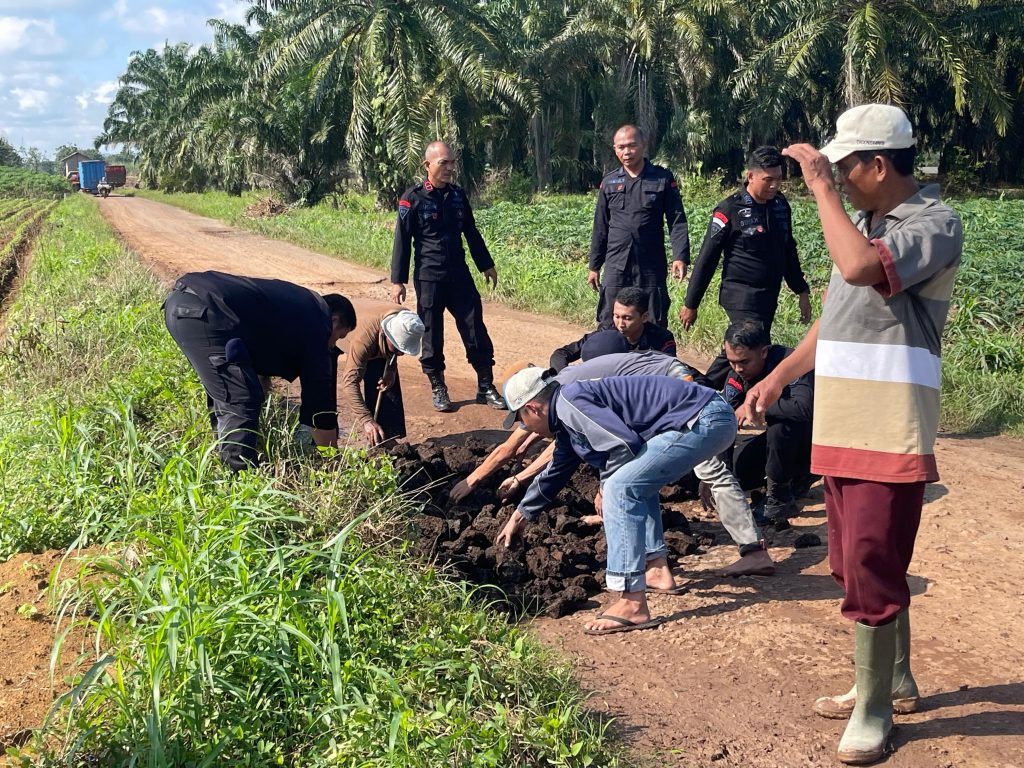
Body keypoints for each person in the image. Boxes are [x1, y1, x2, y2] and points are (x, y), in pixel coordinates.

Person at [742, 104, 963, 764]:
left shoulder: (933, 222)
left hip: (889, 423)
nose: (836, 174)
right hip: (841, 418)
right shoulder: (862, 227)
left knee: (870, 559)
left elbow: (864, 269)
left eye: (843, 166)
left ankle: (873, 711)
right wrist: (779, 375)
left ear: (875, 164)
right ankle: (891, 678)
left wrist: (818, 190)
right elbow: (834, 316)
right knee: (850, 559)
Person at [496, 368, 750, 634]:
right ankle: (657, 570)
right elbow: (556, 471)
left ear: (533, 408)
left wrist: (605, 486)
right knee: (637, 484)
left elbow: (623, 445)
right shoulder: (567, 418)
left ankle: (631, 602)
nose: (525, 428)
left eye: (522, 420)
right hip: (707, 417)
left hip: (704, 418)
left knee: (620, 488)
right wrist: (520, 515)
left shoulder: (570, 402)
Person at [163, 271, 356, 471]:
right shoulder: (318, 323)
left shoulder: (299, 308)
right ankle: (239, 482)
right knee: (240, 398)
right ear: (334, 321)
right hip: (204, 311)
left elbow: (258, 368)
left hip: (186, 304)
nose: (334, 345)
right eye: (339, 336)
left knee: (230, 391)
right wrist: (331, 462)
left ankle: (221, 461)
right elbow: (320, 404)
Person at [390, 140, 506, 413]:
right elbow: (402, 241)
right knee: (431, 332)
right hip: (429, 276)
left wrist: (485, 264)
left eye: (452, 162)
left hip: (459, 274)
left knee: (474, 326)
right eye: (444, 163)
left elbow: (471, 231)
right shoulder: (413, 198)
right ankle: (438, 386)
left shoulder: (457, 195)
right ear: (427, 165)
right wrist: (398, 280)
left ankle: (485, 386)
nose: (450, 168)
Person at [681, 145, 812, 338]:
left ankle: (720, 368)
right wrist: (691, 303)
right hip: (741, 297)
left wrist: (801, 290)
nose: (774, 185)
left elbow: (788, 250)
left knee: (747, 354)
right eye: (768, 180)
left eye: (778, 179)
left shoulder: (780, 205)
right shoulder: (729, 209)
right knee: (751, 350)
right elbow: (707, 258)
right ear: (750, 176)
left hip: (768, 296)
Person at [698, 320, 814, 529]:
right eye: (732, 362)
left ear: (763, 352)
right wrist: (720, 477)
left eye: (743, 361)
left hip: (810, 440)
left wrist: (755, 407)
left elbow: (804, 409)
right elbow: (724, 417)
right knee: (740, 475)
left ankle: (780, 499)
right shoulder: (738, 371)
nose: (738, 368)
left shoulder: (792, 363)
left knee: (781, 424)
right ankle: (794, 481)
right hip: (779, 444)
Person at [588, 124, 689, 328]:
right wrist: (594, 265)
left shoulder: (662, 178)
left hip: (650, 264)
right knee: (610, 321)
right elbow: (601, 226)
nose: (627, 152)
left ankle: (653, 359)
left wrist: (680, 256)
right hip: (616, 263)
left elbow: (677, 220)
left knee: (654, 320)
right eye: (621, 147)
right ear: (615, 149)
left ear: (643, 145)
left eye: (632, 145)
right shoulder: (609, 182)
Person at [339, 308, 425, 446]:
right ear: (386, 334)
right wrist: (366, 420)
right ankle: (325, 441)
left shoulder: (407, 321)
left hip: (377, 336)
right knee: (324, 384)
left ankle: (384, 437)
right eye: (398, 349)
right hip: (333, 330)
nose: (401, 354)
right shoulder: (363, 341)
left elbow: (393, 351)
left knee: (383, 375)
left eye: (403, 350)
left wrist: (391, 370)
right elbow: (349, 383)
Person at [549, 287, 677, 371]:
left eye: (627, 318)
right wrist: (564, 375)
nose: (620, 324)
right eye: (616, 316)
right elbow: (561, 354)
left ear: (644, 317)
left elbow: (669, 370)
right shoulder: (606, 334)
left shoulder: (662, 339)